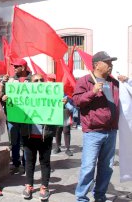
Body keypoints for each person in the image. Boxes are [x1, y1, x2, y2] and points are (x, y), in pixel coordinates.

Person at [73, 51, 122, 202]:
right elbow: (76, 101)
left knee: (106, 168)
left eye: (111, 62)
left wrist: (127, 83)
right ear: (97, 65)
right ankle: (81, 198)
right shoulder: (85, 81)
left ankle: (100, 196)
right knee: (88, 167)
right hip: (93, 132)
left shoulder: (114, 83)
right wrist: (92, 92)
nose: (111, 65)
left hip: (111, 132)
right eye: (107, 62)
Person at [20, 74, 57, 200]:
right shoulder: (25, 96)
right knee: (29, 163)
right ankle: (29, 185)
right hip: (29, 136)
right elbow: (14, 108)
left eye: (42, 80)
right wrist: (7, 98)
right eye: (36, 80)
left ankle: (44, 187)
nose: (39, 82)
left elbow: (58, 111)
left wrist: (61, 102)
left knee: (45, 162)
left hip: (45, 136)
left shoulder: (51, 95)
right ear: (31, 83)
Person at [0, 58, 31, 174]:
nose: (13, 68)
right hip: (12, 117)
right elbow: (1, 96)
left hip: (27, 117)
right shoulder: (10, 81)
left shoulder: (32, 81)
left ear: (22, 68)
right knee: (14, 142)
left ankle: (26, 164)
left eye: (16, 66)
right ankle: (16, 163)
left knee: (26, 142)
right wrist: (3, 96)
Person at [46, 74, 78, 157]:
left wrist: (66, 100)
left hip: (64, 112)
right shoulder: (46, 90)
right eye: (49, 80)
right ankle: (58, 146)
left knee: (66, 131)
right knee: (57, 131)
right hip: (55, 113)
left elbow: (68, 98)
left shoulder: (60, 89)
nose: (50, 82)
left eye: (52, 80)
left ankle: (67, 148)